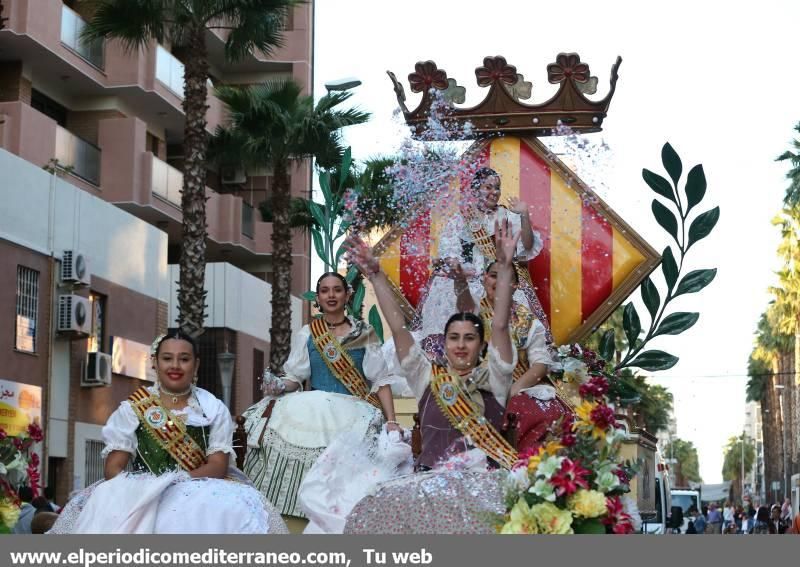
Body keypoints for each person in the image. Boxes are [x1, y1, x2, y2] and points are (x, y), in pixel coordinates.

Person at [50, 332, 287, 534]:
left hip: (201, 488)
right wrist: (144, 488)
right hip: (142, 490)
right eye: (167, 358)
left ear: (196, 364)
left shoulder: (212, 408)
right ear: (155, 362)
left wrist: (178, 481)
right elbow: (113, 469)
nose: (175, 366)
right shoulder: (133, 408)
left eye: (184, 359)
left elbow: (218, 465)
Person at [346, 219, 518, 470]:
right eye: (454, 337)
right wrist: (376, 276)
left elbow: (500, 326)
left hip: (484, 494)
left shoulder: (495, 378)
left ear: (482, 346)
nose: (460, 344)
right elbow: (398, 328)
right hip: (429, 492)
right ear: (444, 344)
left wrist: (503, 266)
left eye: (469, 338)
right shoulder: (425, 376)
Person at [242, 272, 401, 519]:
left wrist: (391, 421)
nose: (331, 295)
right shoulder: (308, 333)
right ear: (318, 297)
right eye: (325, 290)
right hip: (313, 409)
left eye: (336, 290)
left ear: (347, 294)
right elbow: (295, 379)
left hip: (353, 410)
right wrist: (278, 386)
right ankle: (290, 517)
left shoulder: (364, 333)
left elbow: (380, 381)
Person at [417, 167, 547, 343]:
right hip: (470, 279)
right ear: (475, 190)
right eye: (488, 187)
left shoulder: (508, 216)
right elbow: (449, 251)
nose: (494, 192)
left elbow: (529, 246)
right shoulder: (461, 217)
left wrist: (524, 214)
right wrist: (459, 268)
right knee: (445, 292)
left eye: (497, 187)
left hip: (498, 279)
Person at [450, 259, 560, 452]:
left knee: (547, 413)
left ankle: (526, 469)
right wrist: (460, 282)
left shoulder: (527, 320)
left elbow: (540, 363)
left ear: (515, 285)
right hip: (475, 385)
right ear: (485, 279)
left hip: (518, 389)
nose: (498, 282)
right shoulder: (473, 312)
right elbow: (463, 302)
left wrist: (515, 389)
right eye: (493, 276)